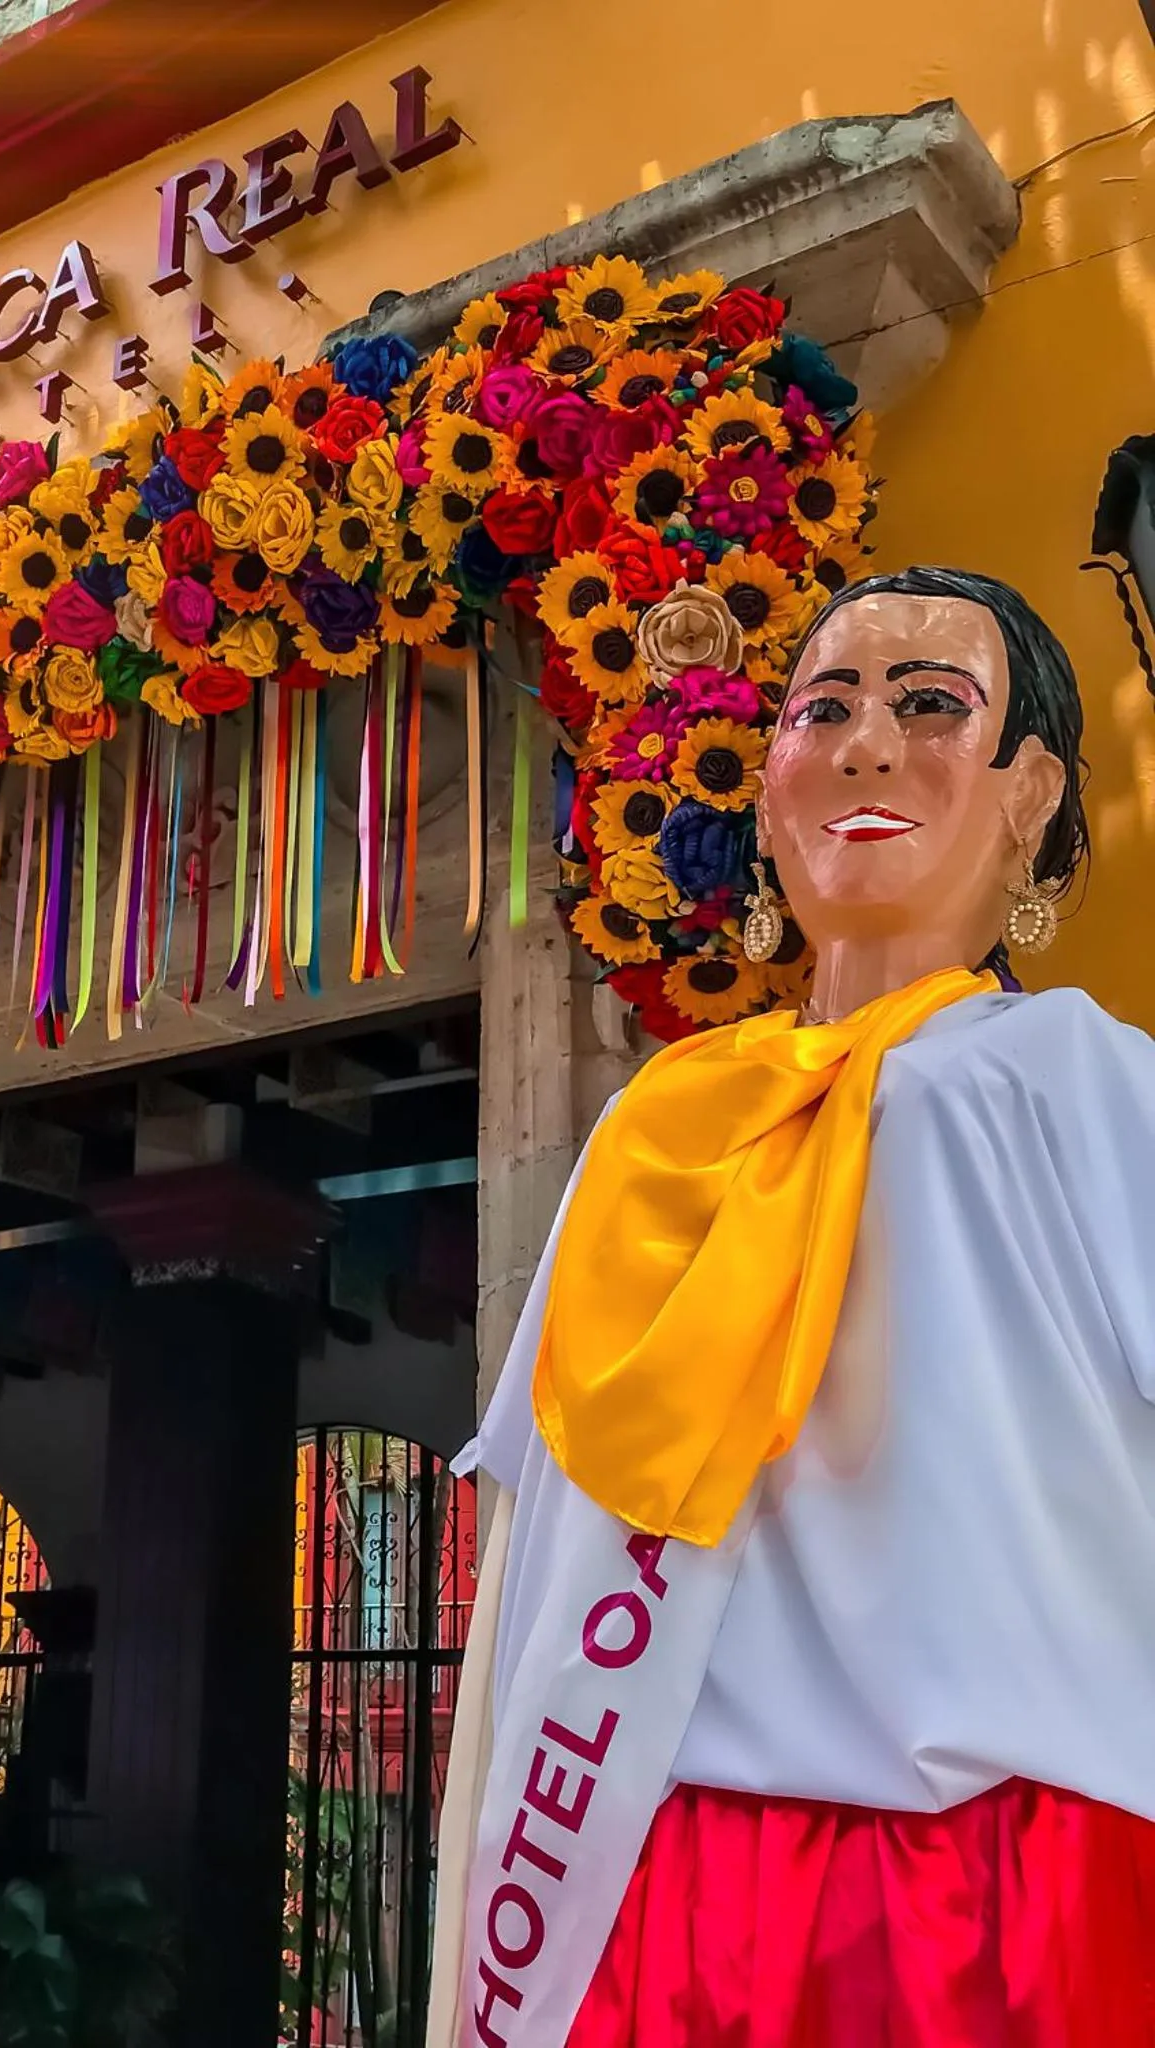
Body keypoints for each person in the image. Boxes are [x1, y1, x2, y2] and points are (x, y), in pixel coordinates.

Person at [428, 567, 1155, 2048]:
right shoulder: (654, 1131)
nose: (867, 745)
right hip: (636, 1884)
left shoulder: (1086, 1085)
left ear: (1031, 796)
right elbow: (534, 1548)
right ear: (765, 806)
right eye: (823, 709)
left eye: (933, 706)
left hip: (1004, 1894)